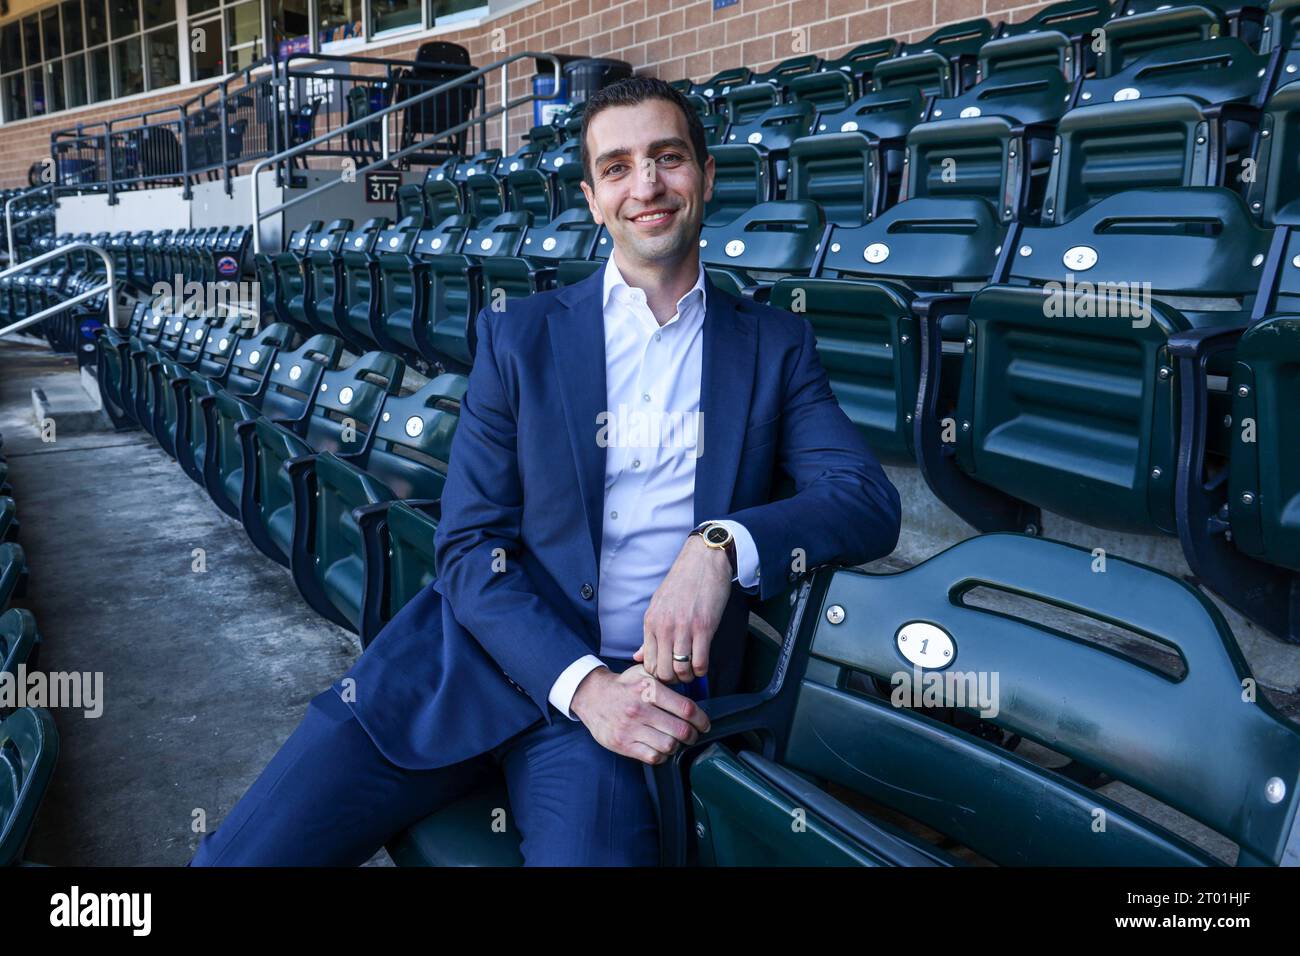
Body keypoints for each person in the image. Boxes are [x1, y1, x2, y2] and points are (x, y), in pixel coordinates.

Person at [190, 76, 902, 867]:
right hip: (462, 664)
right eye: (618, 167)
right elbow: (468, 548)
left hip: (630, 706)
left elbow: (865, 501)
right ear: (594, 198)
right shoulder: (521, 337)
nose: (648, 186)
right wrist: (581, 687)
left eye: (667, 158)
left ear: (705, 173)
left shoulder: (773, 344)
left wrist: (722, 545)